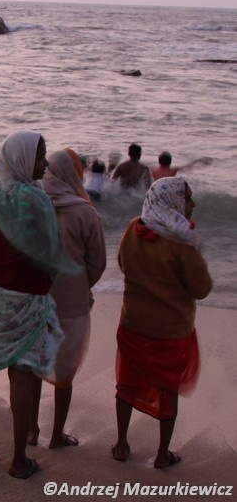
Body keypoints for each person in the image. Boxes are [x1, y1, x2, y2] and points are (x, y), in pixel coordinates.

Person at [0, 131, 79, 479]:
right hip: (24, 296)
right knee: (21, 373)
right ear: (23, 159)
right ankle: (18, 460)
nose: (44, 164)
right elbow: (50, 250)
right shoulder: (36, 199)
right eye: (40, 157)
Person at [112, 176, 212, 469]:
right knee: (168, 390)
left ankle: (120, 444)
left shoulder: (135, 227)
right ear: (173, 202)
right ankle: (161, 454)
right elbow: (201, 288)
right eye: (188, 199)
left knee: (126, 384)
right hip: (170, 331)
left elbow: (121, 261)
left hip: (133, 324)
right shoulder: (182, 239)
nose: (192, 205)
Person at [29, 148, 106, 449]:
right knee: (65, 371)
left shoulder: (33, 205)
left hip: (34, 298)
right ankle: (57, 434)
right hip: (72, 303)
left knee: (33, 366)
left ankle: (32, 429)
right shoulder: (86, 213)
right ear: (75, 175)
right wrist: (82, 284)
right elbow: (97, 263)